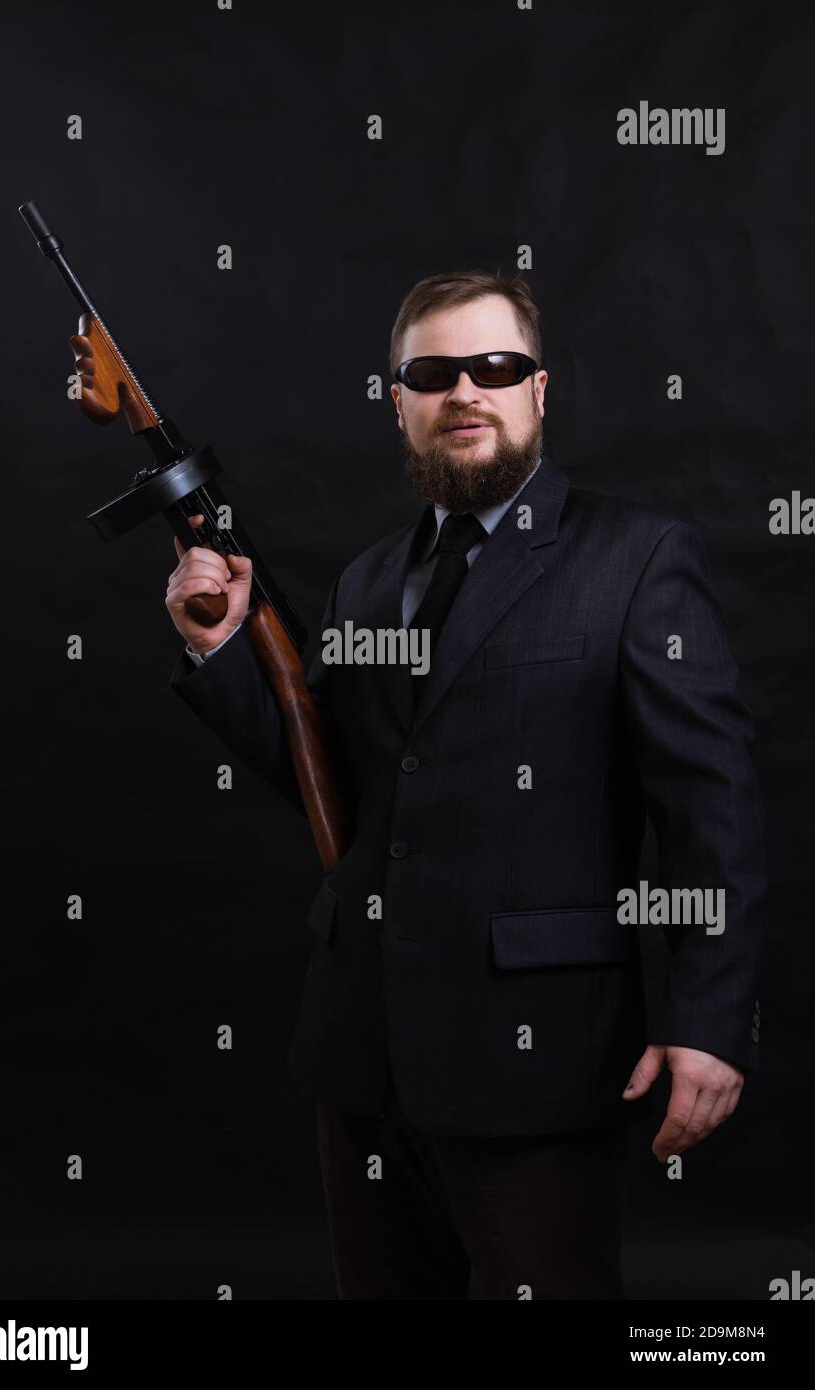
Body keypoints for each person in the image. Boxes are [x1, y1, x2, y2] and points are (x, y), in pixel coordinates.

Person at [164, 271, 766, 1299]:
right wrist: (220, 649)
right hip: (362, 1055)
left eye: (495, 368)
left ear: (538, 391)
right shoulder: (363, 580)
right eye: (432, 372)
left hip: (538, 1060)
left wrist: (708, 1018)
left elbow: (711, 806)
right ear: (396, 398)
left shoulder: (635, 558)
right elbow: (338, 795)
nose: (465, 393)